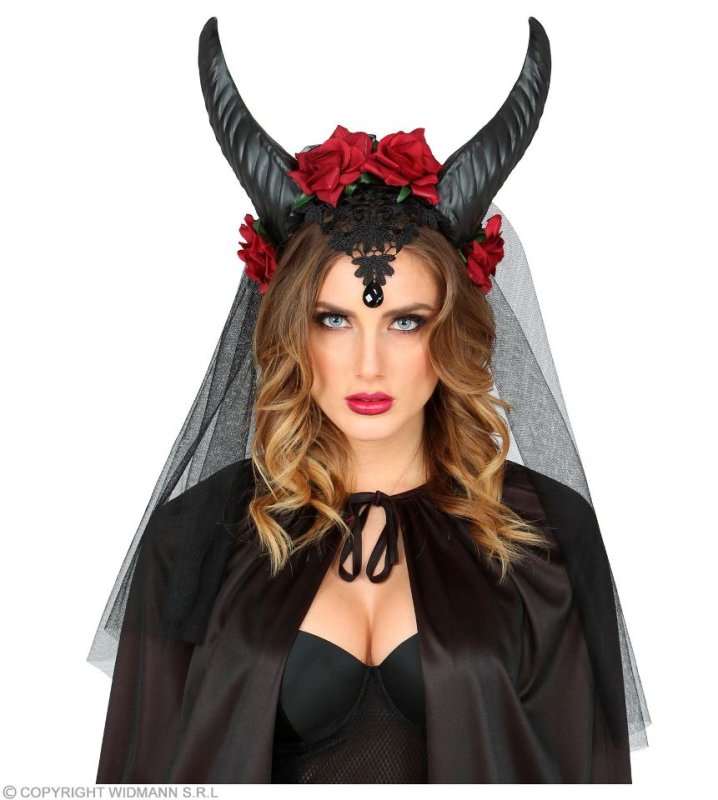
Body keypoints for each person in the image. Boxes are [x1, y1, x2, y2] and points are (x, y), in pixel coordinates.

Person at [89, 15, 651, 783]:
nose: (368, 364)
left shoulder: (546, 539)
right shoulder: (196, 541)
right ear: (293, 333)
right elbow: (145, 775)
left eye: (404, 322)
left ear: (450, 333)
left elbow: (589, 775)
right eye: (334, 320)